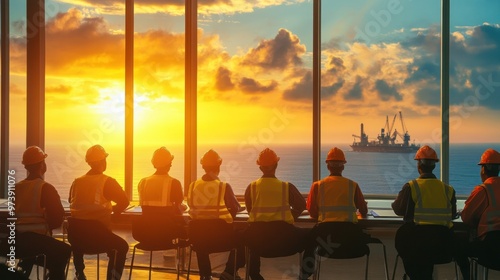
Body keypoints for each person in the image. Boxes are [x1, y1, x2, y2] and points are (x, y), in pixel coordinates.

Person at [392, 145, 462, 280]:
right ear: (434, 166)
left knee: (409, 246)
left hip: (416, 247)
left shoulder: (411, 187)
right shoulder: (448, 190)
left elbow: (398, 209)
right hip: (442, 247)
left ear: (419, 165)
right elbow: (452, 215)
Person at [244, 148, 313, 280]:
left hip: (261, 244)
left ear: (260, 168)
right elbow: (301, 205)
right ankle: (305, 273)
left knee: (250, 235)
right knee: (313, 233)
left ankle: (254, 274)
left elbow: (250, 211)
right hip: (285, 242)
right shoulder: (286, 187)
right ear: (276, 165)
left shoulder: (251, 188)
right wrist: (290, 215)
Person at [68, 144, 130, 280]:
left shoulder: (76, 182)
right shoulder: (107, 182)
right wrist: (113, 210)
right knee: (121, 247)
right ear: (103, 161)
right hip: (99, 238)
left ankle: (79, 273)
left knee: (79, 229)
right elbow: (125, 202)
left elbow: (73, 203)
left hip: (78, 240)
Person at [306, 147, 369, 277]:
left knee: (308, 240)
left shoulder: (317, 186)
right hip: (350, 240)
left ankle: (305, 274)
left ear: (328, 166)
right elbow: (363, 210)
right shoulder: (353, 185)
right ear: (343, 167)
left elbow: (312, 212)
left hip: (325, 239)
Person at [10, 146, 71, 279]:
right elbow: (57, 218)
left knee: (47, 256)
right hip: (38, 241)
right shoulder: (46, 188)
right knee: (64, 251)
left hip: (19, 241)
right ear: (42, 165)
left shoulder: (15, 188)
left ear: (26, 166)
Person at [186, 149, 245, 280]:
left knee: (200, 236)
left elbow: (191, 206)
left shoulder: (192, 186)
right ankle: (229, 271)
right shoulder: (223, 186)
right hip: (221, 239)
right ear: (218, 166)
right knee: (243, 237)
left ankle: (205, 275)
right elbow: (235, 208)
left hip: (199, 239)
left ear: (203, 166)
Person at [461, 148, 500, 271]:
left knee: (458, 247)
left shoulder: (483, 190)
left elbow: (466, 218)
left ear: (483, 169)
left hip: (490, 248)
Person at [137, 147, 187, 240]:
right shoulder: (174, 183)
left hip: (147, 232)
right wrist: (183, 207)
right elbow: (178, 207)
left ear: (154, 164)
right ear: (169, 164)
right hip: (168, 231)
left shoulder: (143, 182)